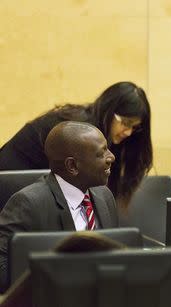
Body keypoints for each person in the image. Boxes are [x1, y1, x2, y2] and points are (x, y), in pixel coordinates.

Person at [0, 121, 118, 292]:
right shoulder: (28, 203)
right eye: (101, 153)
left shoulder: (104, 195)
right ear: (72, 166)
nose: (111, 157)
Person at [0, 81, 152, 208]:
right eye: (126, 123)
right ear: (109, 110)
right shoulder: (83, 133)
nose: (129, 132)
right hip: (10, 181)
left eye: (135, 127)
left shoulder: (95, 131)